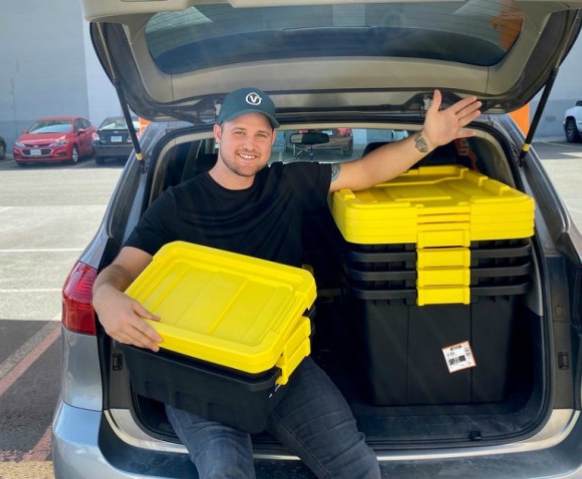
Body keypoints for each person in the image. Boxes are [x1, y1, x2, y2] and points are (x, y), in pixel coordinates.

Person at [92, 86, 481, 478]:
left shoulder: (288, 183)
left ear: (273, 141)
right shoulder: (177, 205)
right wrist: (104, 294)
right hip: (201, 373)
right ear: (218, 134)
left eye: (261, 134)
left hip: (282, 362)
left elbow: (366, 171)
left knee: (358, 467)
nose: (250, 144)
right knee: (225, 470)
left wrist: (428, 139)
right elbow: (123, 269)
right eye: (239, 131)